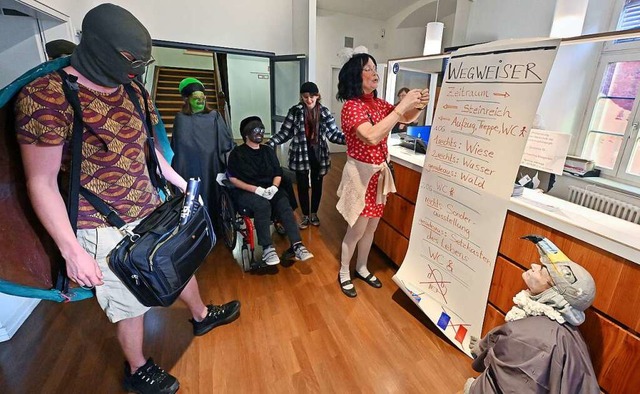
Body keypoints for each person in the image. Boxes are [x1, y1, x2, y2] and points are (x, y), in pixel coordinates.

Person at [14, 4, 240, 393]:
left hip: (151, 206)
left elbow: (151, 151)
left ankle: (201, 315)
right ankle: (137, 370)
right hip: (99, 224)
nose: (138, 70)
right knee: (130, 301)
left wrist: (183, 186)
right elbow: (41, 182)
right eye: (131, 60)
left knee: (179, 264)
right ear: (99, 48)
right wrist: (72, 251)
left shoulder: (134, 89)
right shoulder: (47, 96)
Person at [335, 51, 429, 297]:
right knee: (356, 229)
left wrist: (417, 105)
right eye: (367, 68)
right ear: (356, 75)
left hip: (378, 177)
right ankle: (344, 271)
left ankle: (362, 267)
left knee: (371, 228)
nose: (374, 72)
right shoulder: (351, 107)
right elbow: (372, 135)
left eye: (374, 67)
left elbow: (405, 118)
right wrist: (402, 106)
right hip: (360, 176)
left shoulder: (379, 103)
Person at [464, 235, 599, 394]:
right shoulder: (567, 333)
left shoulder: (530, 336)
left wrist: (473, 389)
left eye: (542, 270)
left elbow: (511, 383)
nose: (534, 265)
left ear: (554, 292)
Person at [227, 116, 314, 266]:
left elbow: (277, 173)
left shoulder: (267, 151)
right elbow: (233, 179)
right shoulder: (237, 154)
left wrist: (274, 187)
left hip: (269, 188)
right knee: (262, 205)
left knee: (283, 203)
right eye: (256, 130)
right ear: (247, 134)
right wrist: (256, 189)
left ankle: (297, 245)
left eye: (262, 130)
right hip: (247, 191)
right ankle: (267, 247)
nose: (260, 133)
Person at [267, 81, 345, 229]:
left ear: (318, 95)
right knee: (302, 185)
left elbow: (333, 134)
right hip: (300, 153)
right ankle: (304, 215)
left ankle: (314, 213)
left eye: (312, 96)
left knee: (317, 184)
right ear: (301, 97)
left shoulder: (324, 112)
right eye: (305, 97)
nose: (309, 100)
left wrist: (352, 139)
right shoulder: (295, 111)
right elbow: (285, 132)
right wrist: (271, 142)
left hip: (318, 153)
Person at [171, 77, 234, 228]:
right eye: (196, 98)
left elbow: (225, 140)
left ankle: (215, 227)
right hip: (188, 166)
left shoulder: (214, 116)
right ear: (186, 99)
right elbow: (178, 146)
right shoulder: (180, 119)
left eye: (202, 98)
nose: (200, 101)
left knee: (213, 195)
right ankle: (194, 228)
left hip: (212, 164)